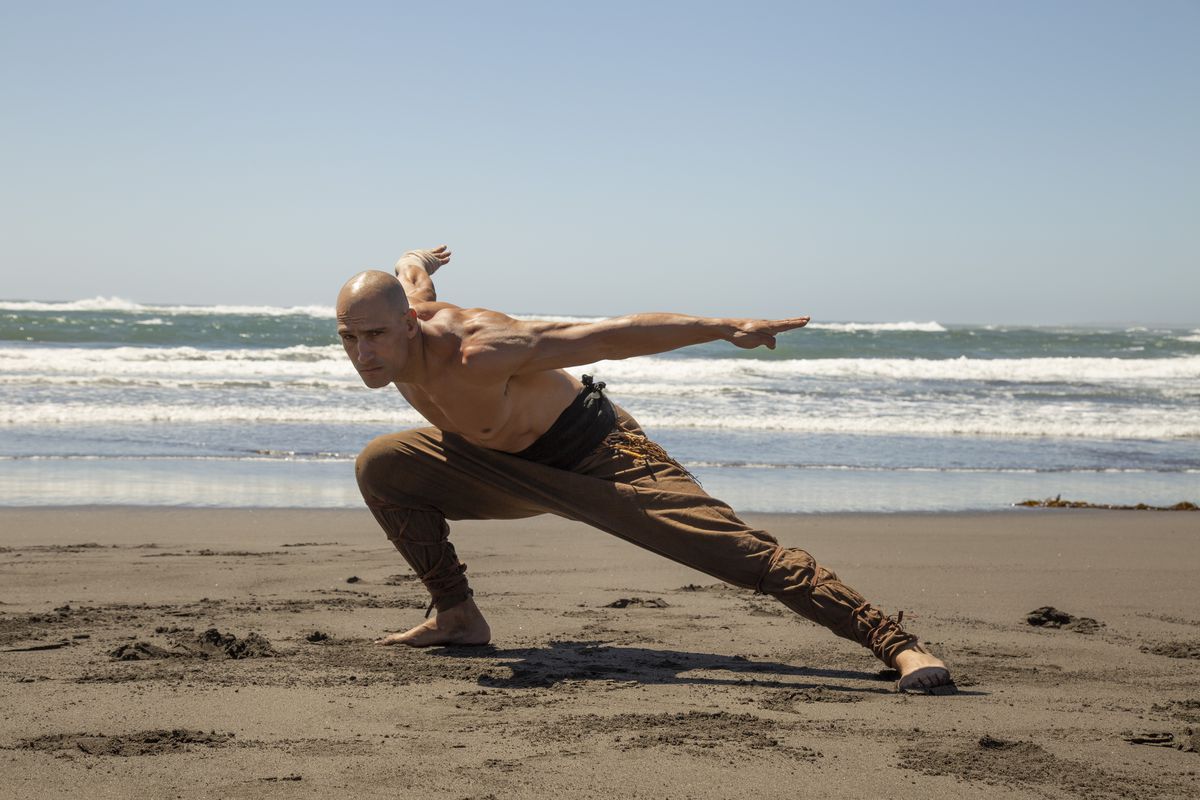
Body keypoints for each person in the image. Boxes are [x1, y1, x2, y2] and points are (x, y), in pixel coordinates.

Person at [339, 246, 953, 694]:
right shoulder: (403, 311)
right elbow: (408, 271)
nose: (363, 354)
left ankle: (897, 644)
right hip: (495, 463)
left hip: (600, 457)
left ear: (410, 324)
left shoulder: (481, 348)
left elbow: (614, 334)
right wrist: (417, 256)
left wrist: (722, 328)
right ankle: (457, 617)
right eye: (348, 338)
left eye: (374, 335)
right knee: (384, 466)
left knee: (738, 553)